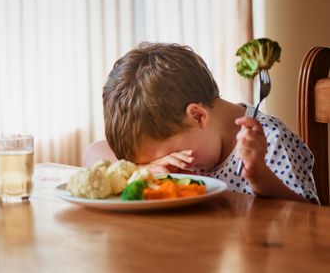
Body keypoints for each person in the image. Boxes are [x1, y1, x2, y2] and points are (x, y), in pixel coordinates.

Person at [85, 42, 319, 204]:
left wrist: (260, 177)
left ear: (197, 116)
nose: (167, 164)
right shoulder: (183, 134)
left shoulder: (270, 141)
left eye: (171, 154)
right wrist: (142, 171)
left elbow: (308, 220)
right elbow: (93, 153)